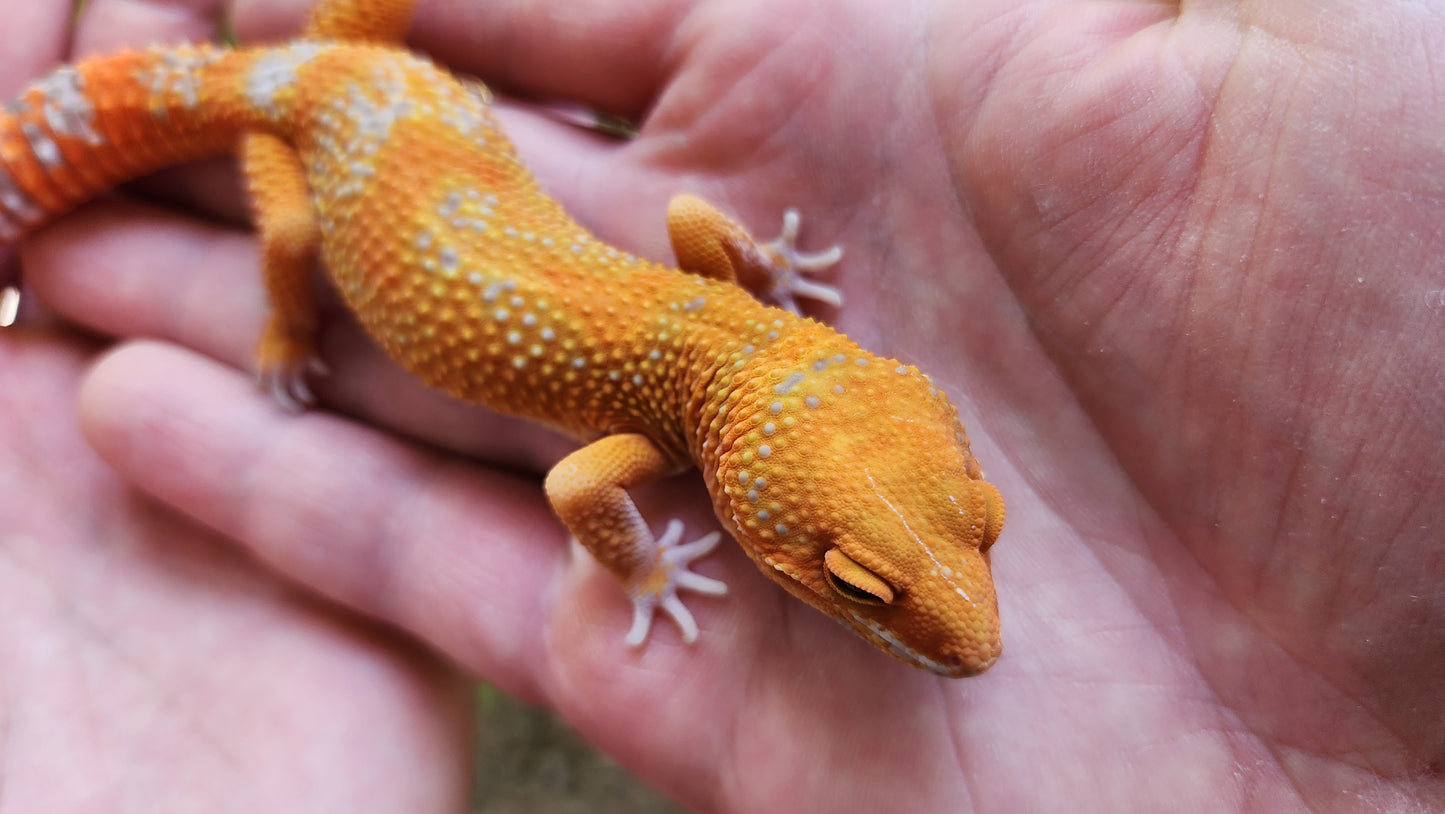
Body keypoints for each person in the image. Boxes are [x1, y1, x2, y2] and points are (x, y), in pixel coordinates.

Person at [3, 0, 1441, 810]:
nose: (952, 618)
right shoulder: (670, 418)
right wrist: (644, 555)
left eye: (963, 537)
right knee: (300, 243)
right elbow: (580, 495)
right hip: (319, 117)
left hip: (384, 95)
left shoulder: (727, 335)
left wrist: (763, 268)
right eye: (868, 583)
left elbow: (695, 219)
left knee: (317, 84)